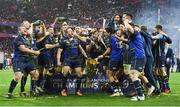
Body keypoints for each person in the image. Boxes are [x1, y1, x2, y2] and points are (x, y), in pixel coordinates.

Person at [7, 21, 40, 98]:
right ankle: (10, 93)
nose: (25, 29)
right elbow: (23, 49)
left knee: (35, 74)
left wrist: (33, 53)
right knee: (18, 76)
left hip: (28, 59)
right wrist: (34, 52)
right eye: (23, 29)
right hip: (19, 59)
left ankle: (33, 90)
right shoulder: (18, 38)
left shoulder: (27, 39)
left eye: (26, 29)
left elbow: (29, 49)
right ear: (19, 31)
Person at [57, 28, 87, 96]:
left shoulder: (76, 40)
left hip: (76, 59)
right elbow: (59, 51)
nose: (72, 32)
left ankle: (77, 90)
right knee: (65, 73)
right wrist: (58, 61)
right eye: (70, 31)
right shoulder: (63, 41)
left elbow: (81, 48)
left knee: (80, 74)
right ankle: (64, 90)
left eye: (72, 31)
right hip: (67, 59)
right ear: (67, 33)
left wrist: (85, 55)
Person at [152, 25, 172, 93]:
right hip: (156, 56)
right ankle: (162, 87)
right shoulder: (156, 35)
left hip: (160, 56)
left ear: (158, 29)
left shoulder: (162, 36)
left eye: (155, 29)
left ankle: (167, 88)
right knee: (156, 72)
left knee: (162, 71)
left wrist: (165, 34)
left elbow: (170, 41)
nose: (154, 30)